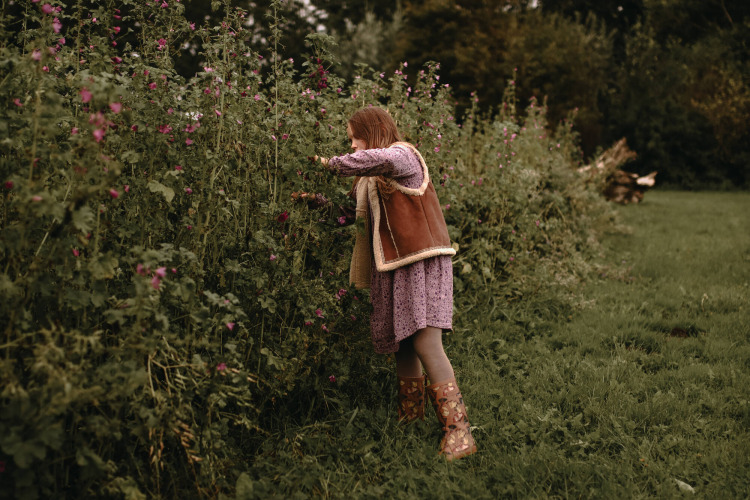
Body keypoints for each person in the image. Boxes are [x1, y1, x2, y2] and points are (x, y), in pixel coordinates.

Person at [314, 106, 477, 461]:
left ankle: (460, 432)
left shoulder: (402, 156)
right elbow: (346, 215)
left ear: (371, 134)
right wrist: (316, 203)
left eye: (354, 138)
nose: (352, 146)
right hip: (394, 266)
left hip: (421, 262)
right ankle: (410, 419)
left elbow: (377, 158)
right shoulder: (368, 178)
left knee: (425, 341)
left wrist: (331, 164)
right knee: (403, 342)